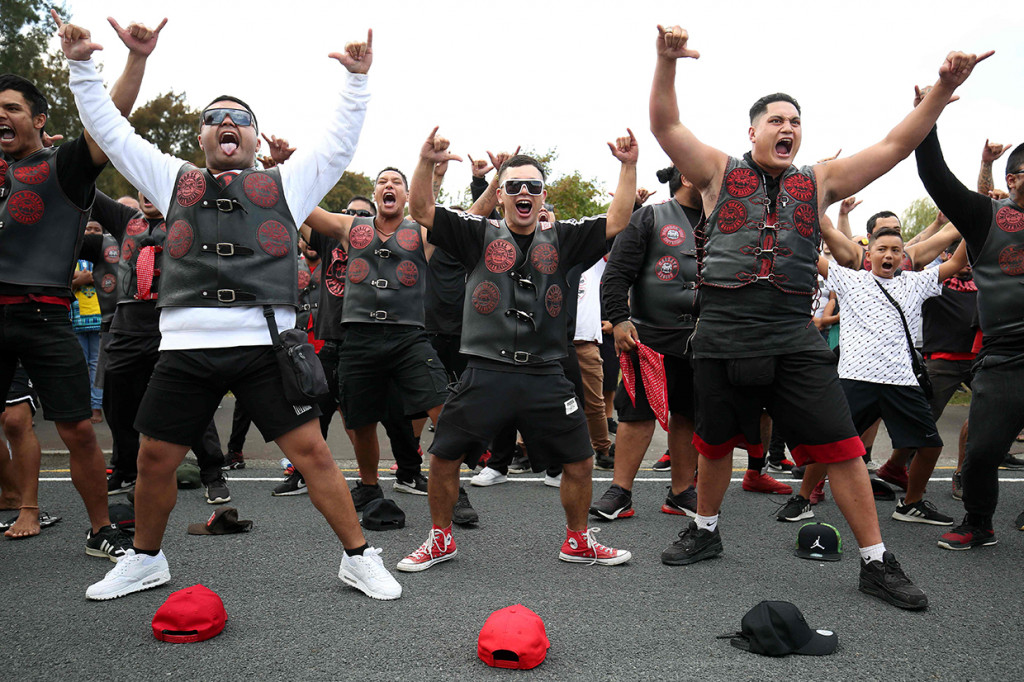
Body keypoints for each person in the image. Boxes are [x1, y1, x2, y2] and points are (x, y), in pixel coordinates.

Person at [62, 17, 402, 601]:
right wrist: (81, 68)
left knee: (313, 452)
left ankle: (360, 556)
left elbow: (338, 144)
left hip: (265, 343)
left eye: (240, 119)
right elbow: (110, 133)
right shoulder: (171, 177)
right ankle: (146, 559)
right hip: (185, 348)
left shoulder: (286, 185)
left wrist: (356, 83)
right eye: (215, 118)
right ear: (200, 137)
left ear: (254, 136)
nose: (228, 124)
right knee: (154, 457)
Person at [649, 24, 988, 609]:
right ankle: (704, 531)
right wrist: (666, 61)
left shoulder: (819, 180)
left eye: (795, 121)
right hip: (723, 331)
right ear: (751, 130)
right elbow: (665, 125)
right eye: (775, 120)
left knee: (844, 448)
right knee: (711, 444)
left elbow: (893, 147)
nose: (787, 128)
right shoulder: (714, 170)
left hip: (791, 334)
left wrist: (940, 89)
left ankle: (876, 562)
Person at [398, 127, 638, 572]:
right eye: (514, 186)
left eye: (533, 187)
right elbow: (423, 209)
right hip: (486, 370)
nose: (523, 192)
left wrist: (627, 166)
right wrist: (426, 163)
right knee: (444, 456)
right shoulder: (476, 234)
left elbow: (617, 221)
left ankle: (578, 540)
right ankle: (440, 539)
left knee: (581, 461)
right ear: (502, 195)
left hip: (546, 372)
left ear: (543, 196)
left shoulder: (564, 238)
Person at [0, 14, 167, 562]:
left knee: (75, 429)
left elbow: (108, 120)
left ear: (39, 120)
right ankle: (19, 502)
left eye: (12, 108)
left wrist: (134, 59)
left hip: (46, 317)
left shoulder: (63, 168)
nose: (1, 117)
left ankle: (100, 529)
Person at [780, 225, 968, 526]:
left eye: (896, 250)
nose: (889, 255)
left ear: (904, 257)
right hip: (856, 379)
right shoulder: (850, 279)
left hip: (902, 382)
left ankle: (911, 504)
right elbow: (810, 256)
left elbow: (956, 264)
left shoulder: (916, 282)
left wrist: (974, 223)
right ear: (869, 256)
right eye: (882, 250)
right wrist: (797, 214)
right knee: (830, 442)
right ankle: (802, 499)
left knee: (931, 445)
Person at [915, 121, 1024, 550]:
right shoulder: (988, 217)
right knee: (981, 452)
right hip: (1006, 357)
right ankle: (979, 522)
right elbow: (936, 178)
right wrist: (928, 117)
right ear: (1013, 179)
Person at [592, 165, 701, 520]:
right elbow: (616, 274)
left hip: (702, 339)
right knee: (635, 412)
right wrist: (620, 319)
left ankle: (682, 492)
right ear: (686, 177)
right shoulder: (650, 218)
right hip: (648, 336)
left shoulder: (724, 220)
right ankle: (620, 491)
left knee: (689, 413)